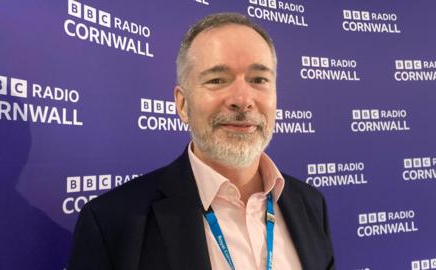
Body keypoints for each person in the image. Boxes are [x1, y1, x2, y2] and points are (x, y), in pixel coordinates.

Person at [68, 12, 335, 270]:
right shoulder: (112, 223)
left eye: (259, 79)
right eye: (217, 80)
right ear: (182, 104)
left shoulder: (311, 205)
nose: (242, 99)